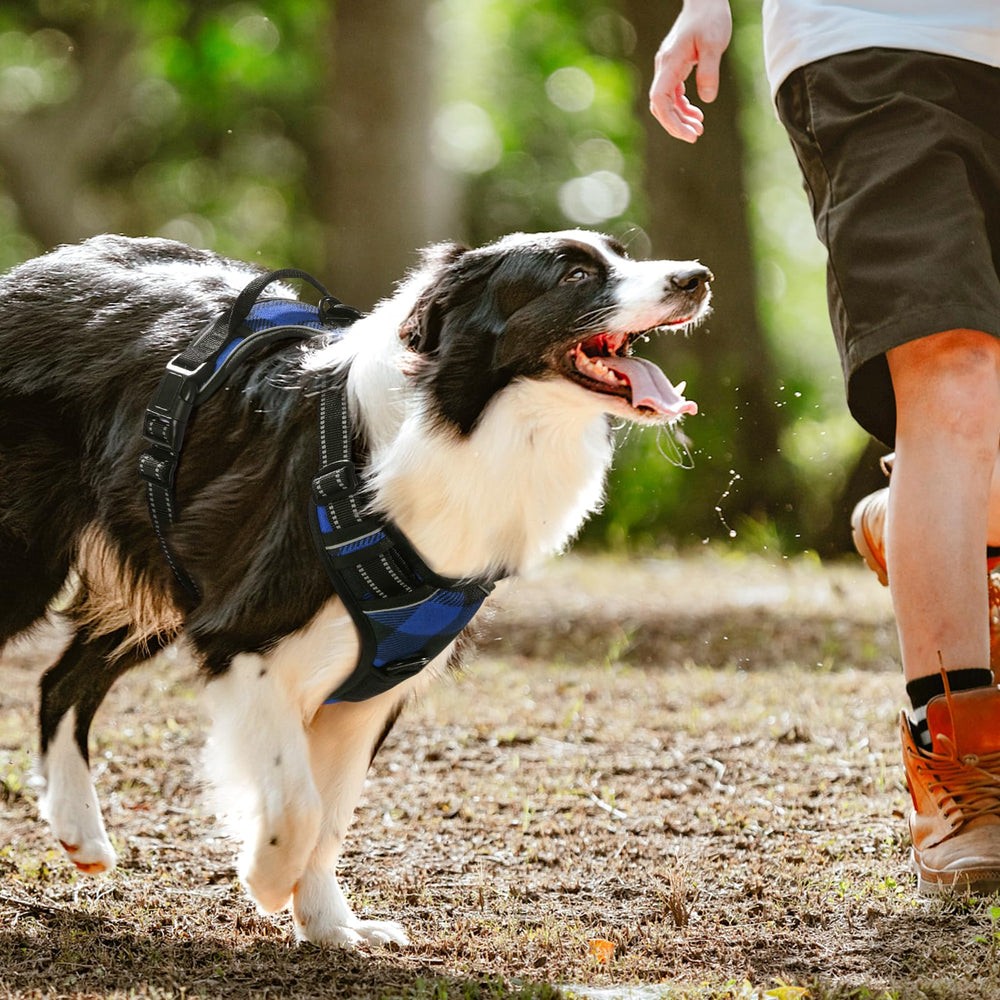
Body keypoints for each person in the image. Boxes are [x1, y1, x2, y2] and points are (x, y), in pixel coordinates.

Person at [649, 0, 1000, 895]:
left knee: (975, 426)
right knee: (954, 374)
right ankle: (960, 767)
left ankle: (932, 514)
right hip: (877, 41)